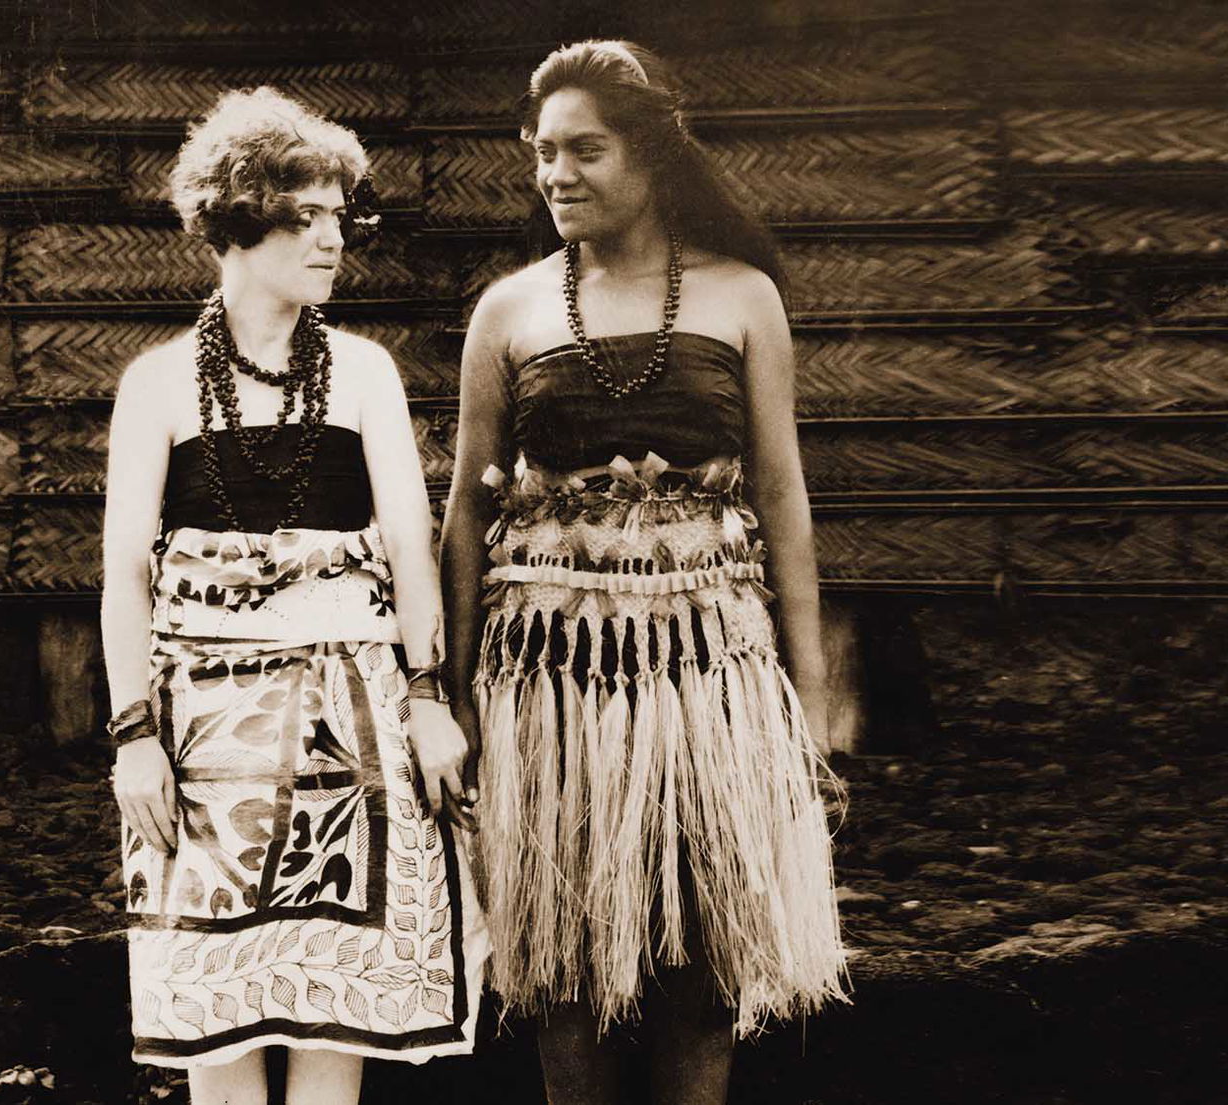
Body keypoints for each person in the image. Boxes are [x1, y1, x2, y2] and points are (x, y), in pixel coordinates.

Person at [441, 40, 848, 1105]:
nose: (555, 174)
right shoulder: (510, 310)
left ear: (653, 159)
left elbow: (783, 493)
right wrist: (452, 696)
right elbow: (466, 508)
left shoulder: (742, 296)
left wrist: (805, 695)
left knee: (701, 957)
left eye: (585, 150)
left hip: (709, 670)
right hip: (546, 676)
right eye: (540, 153)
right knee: (560, 967)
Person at [101, 87, 485, 1105]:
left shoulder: (362, 375)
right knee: (213, 1019)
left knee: (335, 1017)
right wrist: (132, 732)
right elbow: (125, 571)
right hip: (199, 733)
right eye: (303, 215)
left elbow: (409, 548)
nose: (331, 240)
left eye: (337, 216)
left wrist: (428, 696)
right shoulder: (157, 384)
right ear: (236, 218)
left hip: (351, 728)